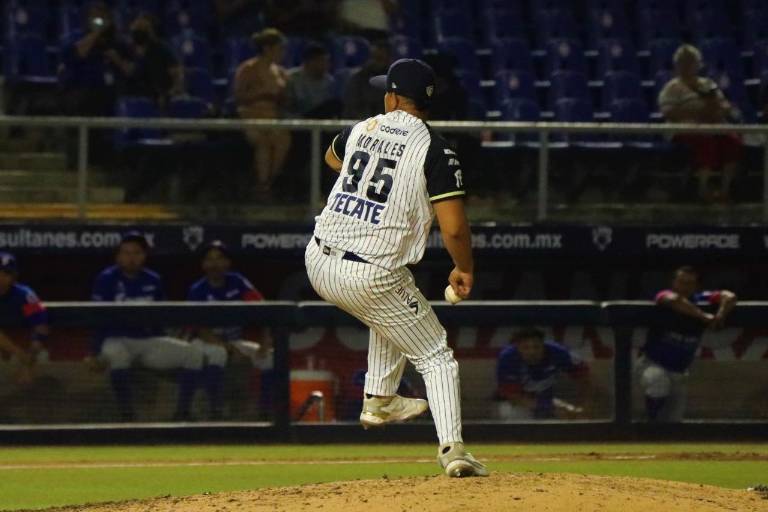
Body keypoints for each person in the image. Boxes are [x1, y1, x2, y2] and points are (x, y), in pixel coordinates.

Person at [305, 58, 488, 477]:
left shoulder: (362, 128)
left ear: (390, 97)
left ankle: (380, 398)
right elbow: (455, 229)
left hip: (318, 259)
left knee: (387, 307)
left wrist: (365, 165)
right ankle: (453, 451)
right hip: (369, 272)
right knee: (435, 354)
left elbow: (332, 160)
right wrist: (464, 269)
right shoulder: (436, 149)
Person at [89, 232, 205, 422]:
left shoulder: (154, 279)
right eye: (126, 253)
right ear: (118, 256)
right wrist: (94, 352)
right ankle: (127, 417)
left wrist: (169, 339)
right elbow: (96, 318)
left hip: (147, 341)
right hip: (117, 340)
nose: (131, 258)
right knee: (118, 355)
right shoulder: (106, 278)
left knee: (193, 354)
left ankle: (182, 413)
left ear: (144, 256)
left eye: (136, 253)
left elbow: (161, 316)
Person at [639, 266, 737, 422]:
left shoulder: (700, 299)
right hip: (652, 362)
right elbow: (675, 300)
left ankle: (661, 433)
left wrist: (720, 315)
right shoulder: (664, 295)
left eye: (690, 283)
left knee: (674, 420)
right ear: (674, 283)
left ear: (697, 285)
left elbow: (729, 296)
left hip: (679, 371)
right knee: (658, 379)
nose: (685, 286)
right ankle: (651, 426)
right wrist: (705, 317)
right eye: (681, 282)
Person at [186, 241, 271, 419]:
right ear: (203, 265)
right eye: (210, 259)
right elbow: (200, 330)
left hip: (233, 341)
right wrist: (229, 348)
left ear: (228, 263)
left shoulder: (238, 282)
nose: (215, 264)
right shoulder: (197, 289)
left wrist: (265, 344)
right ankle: (215, 413)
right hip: (205, 343)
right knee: (218, 353)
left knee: (270, 358)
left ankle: (267, 413)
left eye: (220, 259)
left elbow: (264, 311)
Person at [658, 44, 743, 202]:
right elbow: (669, 112)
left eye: (692, 62)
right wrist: (698, 112)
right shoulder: (672, 88)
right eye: (684, 62)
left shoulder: (707, 84)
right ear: (677, 65)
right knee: (705, 142)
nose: (689, 65)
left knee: (732, 141)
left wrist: (715, 110)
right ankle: (702, 190)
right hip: (684, 131)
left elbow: (724, 105)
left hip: (713, 126)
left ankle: (725, 189)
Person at [234, 28, 291, 199]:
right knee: (262, 142)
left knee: (282, 140)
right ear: (267, 48)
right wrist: (261, 93)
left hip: (273, 116)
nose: (282, 52)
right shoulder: (248, 68)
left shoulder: (280, 72)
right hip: (250, 115)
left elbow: (285, 99)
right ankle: (262, 185)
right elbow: (238, 96)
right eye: (279, 48)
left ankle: (268, 183)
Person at [495, 328, 590, 420]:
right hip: (517, 402)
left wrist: (582, 406)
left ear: (543, 345)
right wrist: (550, 406)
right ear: (517, 348)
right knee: (515, 418)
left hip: (549, 397)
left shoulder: (559, 352)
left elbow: (584, 378)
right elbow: (513, 397)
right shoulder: (507, 358)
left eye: (536, 347)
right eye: (525, 348)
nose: (532, 352)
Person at [58, 2, 131, 116]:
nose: (99, 21)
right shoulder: (77, 37)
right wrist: (95, 33)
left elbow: (130, 70)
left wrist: (117, 60)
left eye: (103, 18)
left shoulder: (118, 43)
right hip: (82, 92)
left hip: (111, 93)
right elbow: (75, 55)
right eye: (95, 18)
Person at [0, 253, 50, 385]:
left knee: (42, 358)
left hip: (25, 345)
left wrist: (28, 361)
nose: (1, 277)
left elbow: (41, 328)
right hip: (11, 348)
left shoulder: (25, 296)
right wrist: (19, 354)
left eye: (5, 273)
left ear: (13, 276)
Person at [120, 14, 183, 107]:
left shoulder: (162, 49)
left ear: (151, 31)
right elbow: (130, 72)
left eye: (142, 28)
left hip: (158, 98)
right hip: (135, 98)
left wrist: (169, 94)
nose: (137, 31)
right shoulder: (129, 50)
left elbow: (177, 75)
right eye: (136, 28)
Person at [285, 43, 341, 119]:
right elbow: (287, 105)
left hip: (321, 120)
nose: (327, 65)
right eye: (323, 61)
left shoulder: (329, 81)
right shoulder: (292, 78)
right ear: (311, 62)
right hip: (299, 120)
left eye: (327, 61)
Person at [341, 39, 392, 119]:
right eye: (376, 57)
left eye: (381, 58)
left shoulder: (394, 79)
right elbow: (352, 107)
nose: (378, 62)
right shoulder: (359, 78)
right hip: (362, 125)